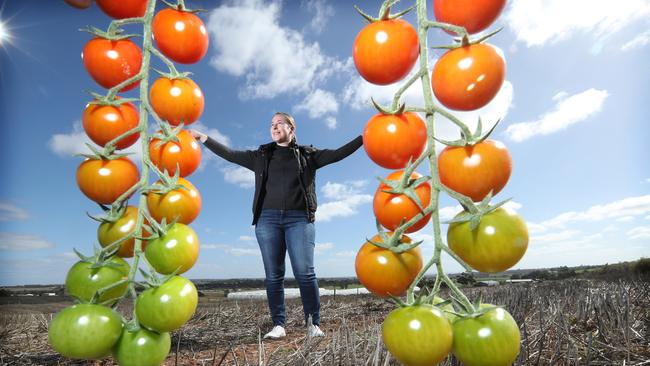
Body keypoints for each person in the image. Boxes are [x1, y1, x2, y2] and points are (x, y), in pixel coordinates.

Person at [189, 112, 363, 339]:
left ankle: (313, 324)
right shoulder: (261, 156)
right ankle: (278, 325)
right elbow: (231, 155)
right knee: (273, 275)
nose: (274, 127)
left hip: (299, 219)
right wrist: (204, 138)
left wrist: (363, 138)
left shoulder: (309, 155)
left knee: (305, 273)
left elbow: (339, 154)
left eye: (279, 123)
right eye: (271, 124)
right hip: (267, 220)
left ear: (292, 128)